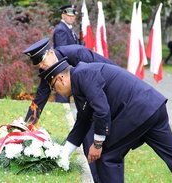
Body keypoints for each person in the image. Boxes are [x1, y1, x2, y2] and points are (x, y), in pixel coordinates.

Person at [38, 59, 172, 183]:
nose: (56, 92)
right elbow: (83, 121)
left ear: (61, 78)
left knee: (106, 156)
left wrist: (98, 144)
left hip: (139, 112)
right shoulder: (80, 78)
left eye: (54, 88)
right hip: (154, 107)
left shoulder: (82, 75)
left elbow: (102, 111)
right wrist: (64, 154)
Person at [23, 38, 117, 183]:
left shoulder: (78, 54)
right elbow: (40, 99)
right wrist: (28, 126)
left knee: (106, 145)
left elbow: (108, 69)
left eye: (42, 62)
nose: (41, 67)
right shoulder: (48, 70)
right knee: (86, 137)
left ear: (51, 53)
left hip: (105, 99)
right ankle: (94, 178)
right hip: (85, 110)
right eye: (38, 65)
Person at [53, 4, 80, 103]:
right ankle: (62, 110)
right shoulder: (61, 30)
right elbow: (62, 50)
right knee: (63, 94)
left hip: (69, 66)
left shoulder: (68, 29)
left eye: (73, 16)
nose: (71, 18)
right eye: (69, 16)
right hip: (64, 67)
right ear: (63, 15)